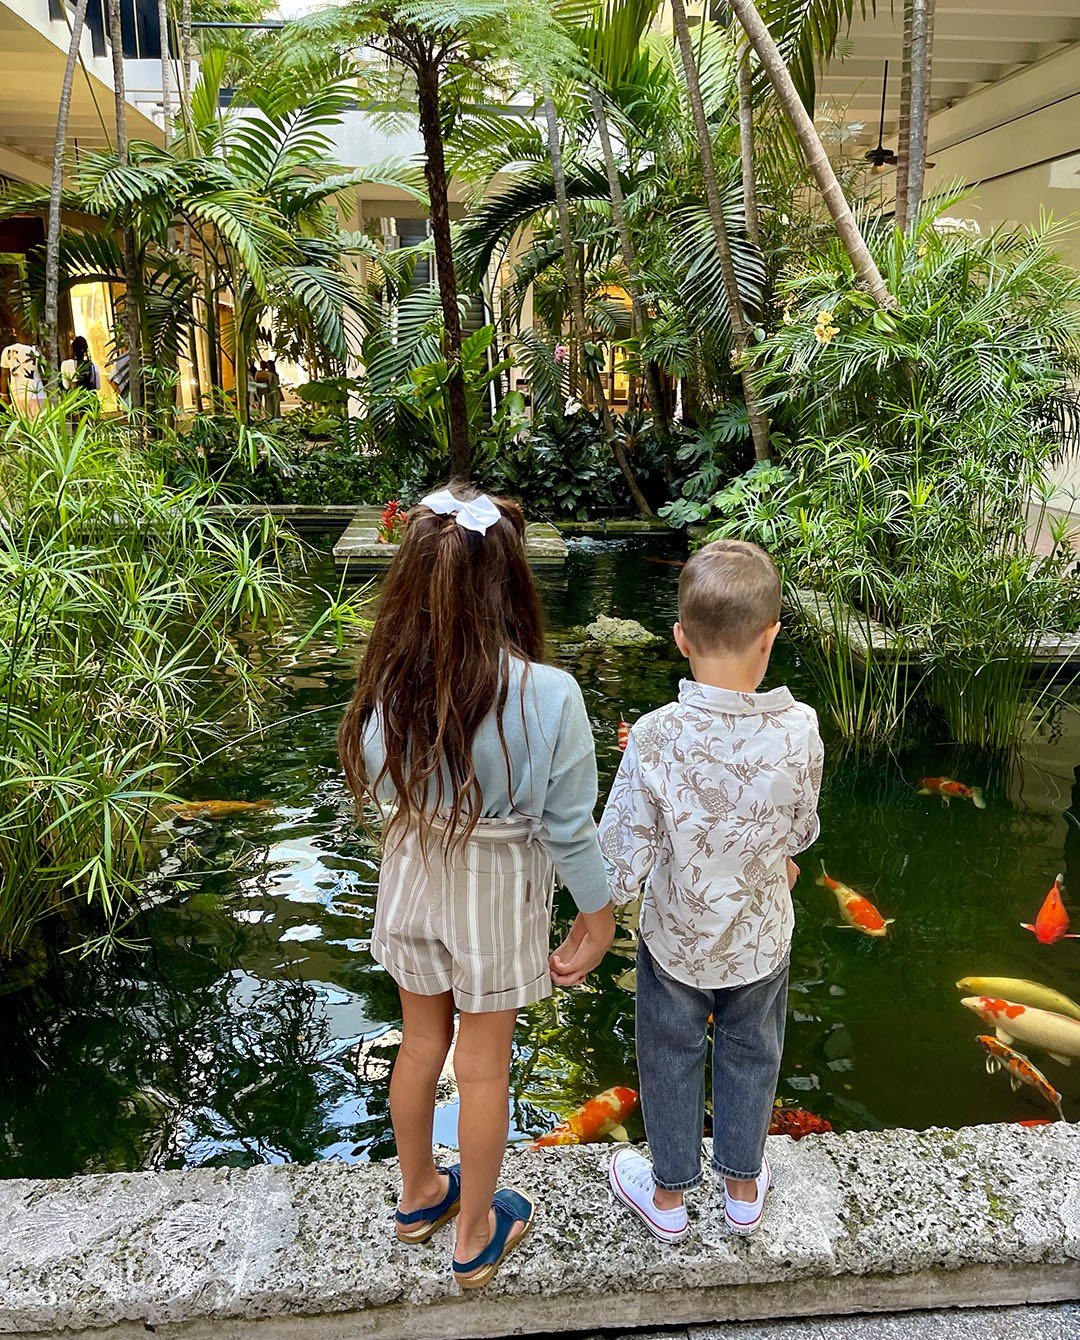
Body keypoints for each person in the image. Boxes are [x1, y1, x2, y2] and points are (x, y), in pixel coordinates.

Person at [337, 486, 615, 1289]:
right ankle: (475, 1233)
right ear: (512, 582)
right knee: (484, 1067)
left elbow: (387, 786)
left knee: (420, 1046)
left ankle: (418, 1194)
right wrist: (596, 918)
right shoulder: (551, 695)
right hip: (494, 887)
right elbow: (570, 828)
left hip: (411, 870)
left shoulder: (388, 685)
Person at [598, 539, 823, 1241]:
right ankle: (743, 1186)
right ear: (771, 637)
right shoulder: (801, 727)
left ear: (678, 639)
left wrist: (596, 916)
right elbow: (800, 828)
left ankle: (667, 1199)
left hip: (675, 937)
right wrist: (779, 859)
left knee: (669, 1053)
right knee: (752, 1050)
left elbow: (621, 855)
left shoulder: (656, 735)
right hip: (760, 938)